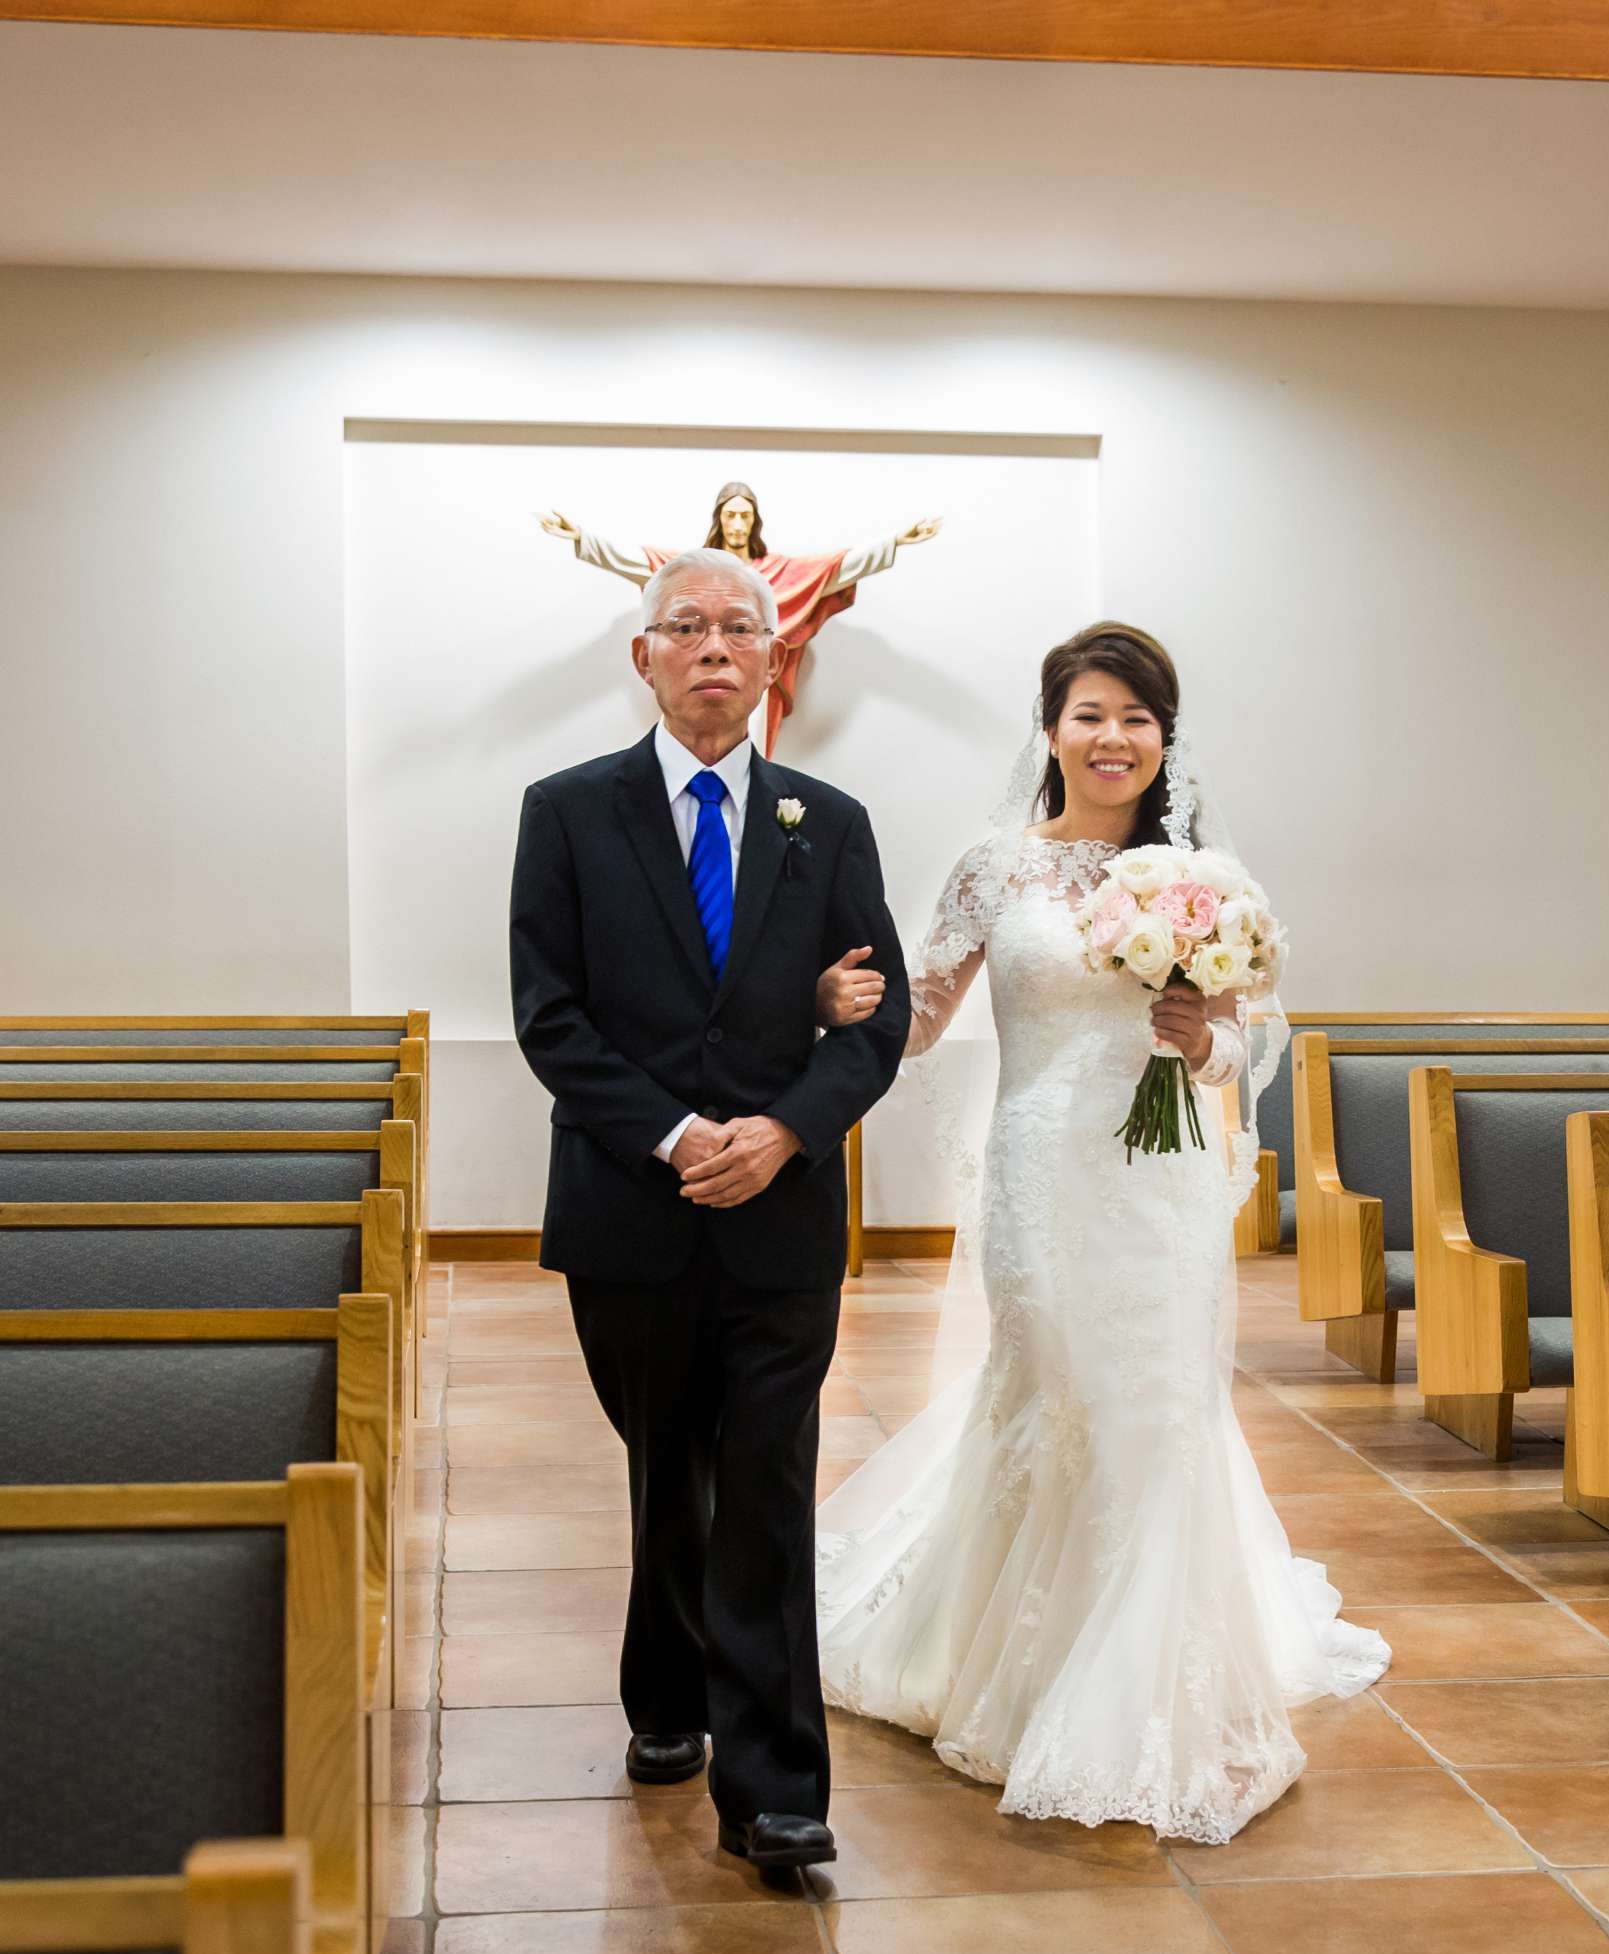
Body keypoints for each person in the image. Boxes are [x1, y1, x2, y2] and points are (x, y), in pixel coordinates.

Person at [812, 621, 1388, 1844]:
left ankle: (1132, 1678)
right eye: (1088, 714)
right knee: (1056, 1390)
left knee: (1154, 1406)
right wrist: (832, 1003)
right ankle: (1020, 1656)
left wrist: (1200, 1038)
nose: (1110, 737)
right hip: (1038, 1178)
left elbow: (1245, 1043)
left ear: (1163, 739)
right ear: (1050, 730)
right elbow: (916, 1017)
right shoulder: (992, 868)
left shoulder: (1206, 880)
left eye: (1134, 718)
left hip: (1159, 1180)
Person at [509, 547, 910, 1870]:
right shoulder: (565, 814)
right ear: (646, 657)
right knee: (663, 1463)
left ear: (774, 657)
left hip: (779, 1217)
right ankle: (664, 1695)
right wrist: (682, 1137)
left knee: (766, 1481)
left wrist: (785, 1131)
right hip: (629, 1212)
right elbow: (550, 1019)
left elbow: (877, 1015)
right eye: (686, 628)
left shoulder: (826, 824)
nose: (715, 651)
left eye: (741, 628)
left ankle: (777, 1784)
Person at [539, 479, 941, 753]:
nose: (736, 523)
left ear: (754, 521)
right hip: (699, 681)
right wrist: (581, 538)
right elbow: (637, 561)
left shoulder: (776, 574)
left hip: (751, 681)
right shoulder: (691, 572)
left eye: (744, 515)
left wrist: (896, 541)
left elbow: (836, 568)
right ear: (719, 519)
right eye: (729, 515)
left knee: (750, 755)